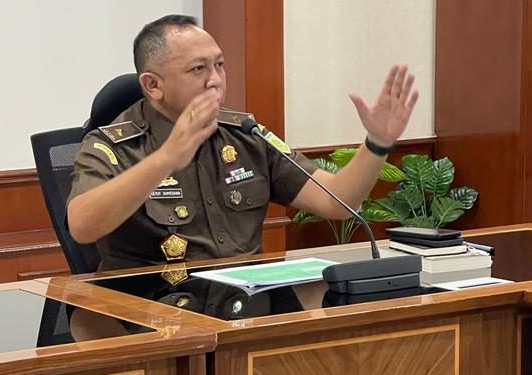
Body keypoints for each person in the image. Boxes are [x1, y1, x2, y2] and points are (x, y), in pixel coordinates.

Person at [67, 14, 418, 271]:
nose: (215, 80)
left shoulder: (244, 134)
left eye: (219, 65)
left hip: (245, 307)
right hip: (154, 316)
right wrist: (165, 159)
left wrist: (377, 143)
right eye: (198, 69)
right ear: (153, 85)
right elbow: (82, 226)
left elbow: (336, 201)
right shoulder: (112, 145)